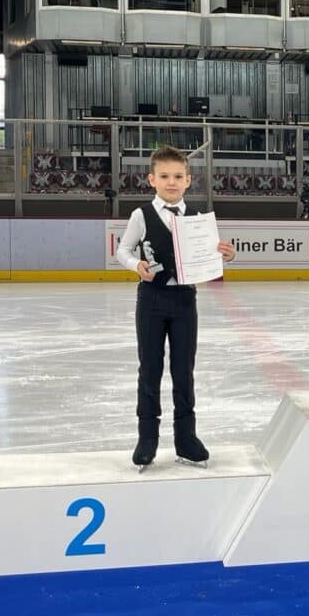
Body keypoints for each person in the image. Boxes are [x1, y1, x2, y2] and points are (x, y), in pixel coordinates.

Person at [116, 146, 236, 470]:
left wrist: (226, 254)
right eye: (165, 176)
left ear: (188, 180)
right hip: (151, 301)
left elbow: (210, 258)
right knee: (150, 370)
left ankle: (186, 438)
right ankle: (147, 439)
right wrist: (134, 264)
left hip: (185, 301)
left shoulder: (198, 218)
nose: (172, 182)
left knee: (183, 371)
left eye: (178, 176)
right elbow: (122, 250)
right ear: (151, 179)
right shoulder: (141, 215)